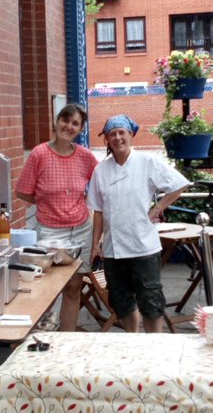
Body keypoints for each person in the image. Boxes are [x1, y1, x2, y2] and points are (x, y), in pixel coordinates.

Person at [87, 115, 191, 333]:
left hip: (143, 246)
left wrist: (158, 207)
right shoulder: (100, 170)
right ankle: (132, 342)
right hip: (114, 250)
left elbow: (179, 184)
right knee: (122, 303)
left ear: (130, 135)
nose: (117, 138)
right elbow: (98, 211)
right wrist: (96, 244)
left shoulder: (147, 162)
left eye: (121, 133)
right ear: (106, 139)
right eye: (112, 134)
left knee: (151, 303)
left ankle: (153, 348)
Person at [15, 102, 97, 331]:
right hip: (49, 231)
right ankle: (44, 337)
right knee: (47, 288)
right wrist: (46, 202)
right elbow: (22, 190)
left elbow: (101, 186)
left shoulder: (86, 157)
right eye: (65, 120)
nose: (68, 126)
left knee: (73, 287)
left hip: (80, 230)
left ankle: (66, 338)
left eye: (75, 123)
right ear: (56, 121)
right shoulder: (39, 154)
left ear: (80, 130)